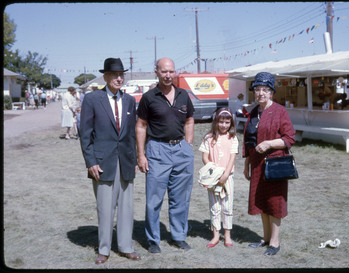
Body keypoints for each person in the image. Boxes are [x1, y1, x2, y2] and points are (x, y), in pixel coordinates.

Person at [79, 58, 141, 264]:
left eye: (121, 74)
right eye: (114, 75)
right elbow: (85, 133)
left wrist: (133, 159)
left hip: (125, 161)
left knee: (126, 207)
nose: (119, 78)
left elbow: (131, 134)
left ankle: (125, 246)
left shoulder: (130, 101)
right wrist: (91, 162)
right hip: (102, 162)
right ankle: (104, 249)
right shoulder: (92, 99)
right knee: (105, 207)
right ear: (105, 77)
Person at [136, 57, 195, 254]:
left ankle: (178, 236)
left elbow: (189, 120)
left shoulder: (183, 95)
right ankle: (153, 239)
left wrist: (187, 144)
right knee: (154, 199)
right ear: (156, 72)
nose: (168, 75)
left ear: (175, 72)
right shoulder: (149, 97)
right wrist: (141, 155)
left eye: (171, 71)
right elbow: (141, 126)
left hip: (181, 149)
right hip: (157, 150)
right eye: (164, 71)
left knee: (180, 198)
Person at [243, 72, 295, 256]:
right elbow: (248, 138)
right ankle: (265, 238)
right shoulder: (254, 111)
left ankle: (275, 241)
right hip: (257, 164)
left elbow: (289, 138)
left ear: (271, 92)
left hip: (275, 164)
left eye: (265, 90)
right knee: (261, 201)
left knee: (275, 203)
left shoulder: (280, 111)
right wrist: (247, 162)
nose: (261, 93)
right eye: (257, 89)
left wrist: (269, 143)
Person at [198, 107, 239, 248]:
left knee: (227, 207)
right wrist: (215, 172)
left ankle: (227, 235)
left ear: (231, 123)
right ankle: (215, 235)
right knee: (215, 207)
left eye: (227, 122)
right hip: (213, 178)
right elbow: (204, 156)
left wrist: (225, 174)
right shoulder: (208, 138)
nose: (224, 125)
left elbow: (232, 157)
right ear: (216, 121)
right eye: (221, 122)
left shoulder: (233, 138)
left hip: (228, 177)